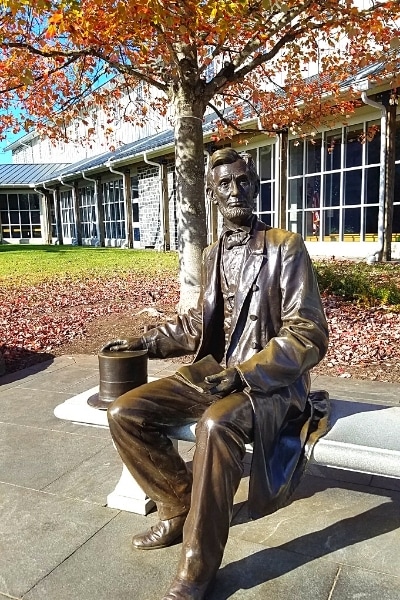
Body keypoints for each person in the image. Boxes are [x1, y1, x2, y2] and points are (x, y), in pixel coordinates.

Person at [103, 148, 330, 600]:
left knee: (215, 424)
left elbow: (308, 333)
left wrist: (245, 374)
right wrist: (145, 341)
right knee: (125, 412)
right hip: (213, 373)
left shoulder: (285, 248)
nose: (235, 191)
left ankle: (196, 566)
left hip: (269, 381)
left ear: (256, 185)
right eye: (224, 184)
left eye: (243, 181)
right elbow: (196, 326)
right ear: (212, 194)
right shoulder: (211, 253)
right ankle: (178, 504)